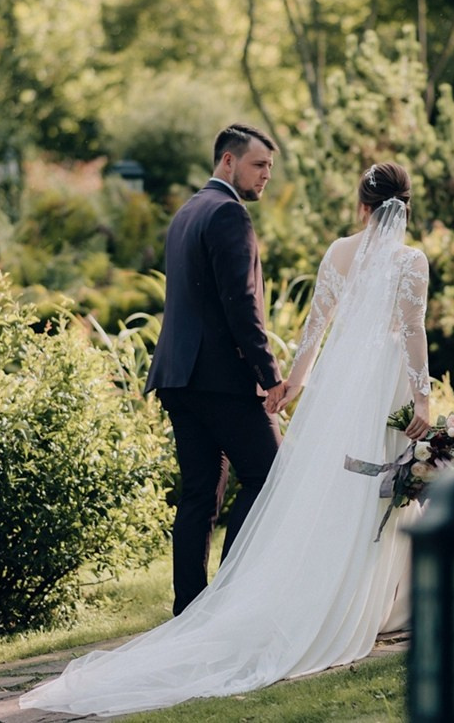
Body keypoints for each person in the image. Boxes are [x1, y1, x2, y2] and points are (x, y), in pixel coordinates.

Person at [20, 161, 432, 717]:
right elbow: (412, 331)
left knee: (336, 487)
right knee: (384, 483)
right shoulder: (411, 261)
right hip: (381, 384)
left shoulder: (338, 251)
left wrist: (293, 386)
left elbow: (315, 330)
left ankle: (358, 596)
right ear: (404, 207)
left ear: (362, 205)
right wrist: (423, 399)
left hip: (338, 385)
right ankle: (377, 602)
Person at [143, 123, 288, 616]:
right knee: (273, 475)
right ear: (228, 161)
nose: (266, 175)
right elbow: (240, 306)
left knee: (200, 494)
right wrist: (270, 376)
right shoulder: (229, 213)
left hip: (178, 378)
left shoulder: (187, 211)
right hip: (219, 380)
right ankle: (228, 600)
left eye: (269, 166)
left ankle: (189, 610)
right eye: (258, 165)